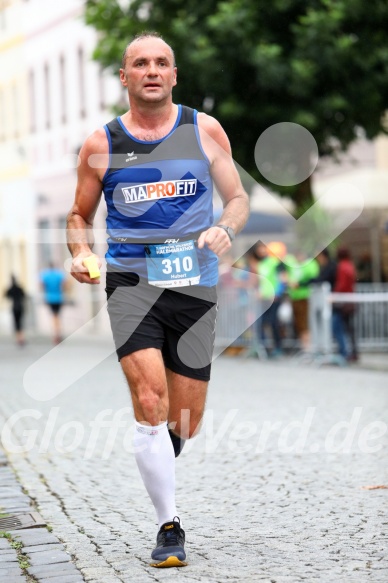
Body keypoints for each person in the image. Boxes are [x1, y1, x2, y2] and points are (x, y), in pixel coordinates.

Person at [66, 32, 249, 567]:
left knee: (185, 420)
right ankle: (169, 526)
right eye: (139, 63)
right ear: (124, 77)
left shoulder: (204, 131)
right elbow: (79, 215)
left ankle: (159, 453)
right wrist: (81, 252)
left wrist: (226, 229)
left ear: (174, 75)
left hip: (193, 282)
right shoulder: (100, 144)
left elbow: (236, 198)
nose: (151, 70)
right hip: (132, 282)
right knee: (150, 402)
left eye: (161, 62)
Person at [332, 247, 358, 361]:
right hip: (351, 299)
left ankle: (345, 352)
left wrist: (334, 295)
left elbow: (341, 284)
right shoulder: (350, 265)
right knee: (349, 328)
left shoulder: (341, 266)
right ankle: (353, 352)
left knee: (339, 326)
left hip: (344, 301)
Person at [40, 262, 66, 344]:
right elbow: (64, 285)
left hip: (50, 298)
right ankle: (58, 332)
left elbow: (42, 285)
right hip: (58, 297)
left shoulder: (45, 275)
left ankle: (55, 334)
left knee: (54, 317)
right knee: (57, 316)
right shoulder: (59, 274)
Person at [4, 275, 26, 346]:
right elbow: (24, 295)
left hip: (14, 307)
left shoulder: (11, 289)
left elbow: (6, 295)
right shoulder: (19, 288)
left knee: (16, 323)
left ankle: (18, 338)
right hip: (20, 307)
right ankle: (21, 337)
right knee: (20, 322)